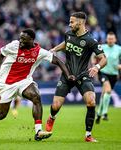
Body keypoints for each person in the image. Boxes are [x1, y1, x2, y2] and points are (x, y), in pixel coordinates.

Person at [0, 28, 75, 141]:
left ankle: (38, 131)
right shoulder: (13, 45)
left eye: (24, 39)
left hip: (24, 81)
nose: (21, 41)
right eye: (20, 38)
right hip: (6, 83)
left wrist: (68, 75)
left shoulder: (39, 51)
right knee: (2, 115)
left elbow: (58, 61)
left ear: (31, 40)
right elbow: (1, 55)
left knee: (36, 96)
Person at [45, 12, 108, 142]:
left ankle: (88, 135)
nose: (69, 24)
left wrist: (96, 67)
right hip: (67, 74)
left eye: (72, 22)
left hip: (83, 75)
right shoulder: (69, 34)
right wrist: (54, 49)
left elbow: (104, 59)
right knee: (56, 106)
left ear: (80, 22)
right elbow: (65, 43)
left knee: (91, 101)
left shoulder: (91, 41)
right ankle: (52, 116)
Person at [91, 32, 121, 124]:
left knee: (105, 93)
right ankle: (105, 113)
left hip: (113, 75)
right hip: (103, 73)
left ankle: (99, 114)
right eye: (109, 39)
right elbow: (93, 56)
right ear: (106, 39)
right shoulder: (102, 47)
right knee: (108, 90)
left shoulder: (119, 49)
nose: (110, 40)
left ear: (115, 40)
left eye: (112, 39)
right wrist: (94, 66)